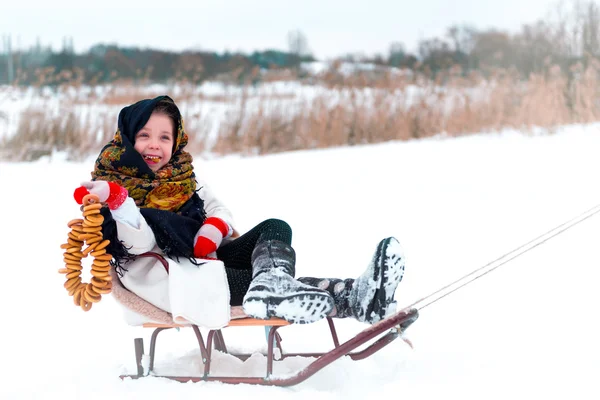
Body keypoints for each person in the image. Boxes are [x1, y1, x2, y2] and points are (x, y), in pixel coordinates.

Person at [73, 95, 406, 325]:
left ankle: (274, 284)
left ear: (176, 142)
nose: (155, 145)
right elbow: (140, 245)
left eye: (164, 136)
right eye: (144, 135)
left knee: (276, 227)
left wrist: (214, 226)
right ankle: (351, 297)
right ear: (128, 138)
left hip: (205, 257)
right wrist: (118, 200)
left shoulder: (182, 177)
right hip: (171, 278)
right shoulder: (111, 186)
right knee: (252, 281)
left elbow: (218, 206)